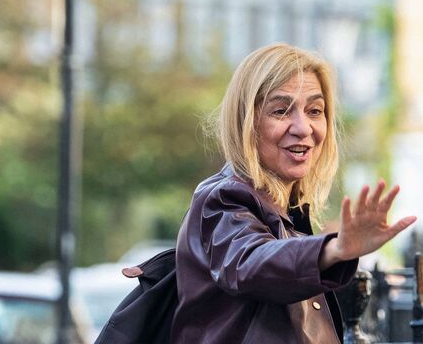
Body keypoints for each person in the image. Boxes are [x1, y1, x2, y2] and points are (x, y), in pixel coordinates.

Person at [171, 43, 418, 343]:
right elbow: (252, 262)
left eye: (315, 110)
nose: (303, 127)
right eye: (281, 110)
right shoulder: (222, 198)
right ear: (246, 122)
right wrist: (333, 249)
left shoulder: (289, 210)